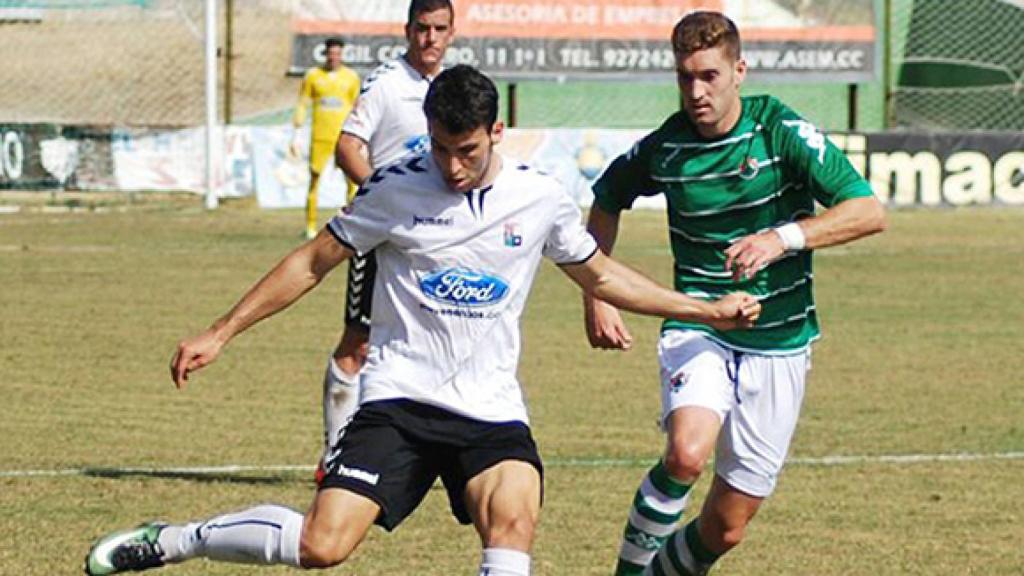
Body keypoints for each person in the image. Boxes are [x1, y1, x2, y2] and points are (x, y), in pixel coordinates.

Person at [84, 65, 761, 576]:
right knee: (324, 546)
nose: (451, 165)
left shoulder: (540, 199)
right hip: (399, 399)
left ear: (497, 132)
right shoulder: (397, 187)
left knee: (514, 520)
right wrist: (221, 330)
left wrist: (704, 310)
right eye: (440, 148)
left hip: (491, 411)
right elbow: (311, 262)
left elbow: (602, 276)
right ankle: (177, 539)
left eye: (466, 150)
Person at [585, 12, 887, 576]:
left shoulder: (778, 131)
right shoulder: (667, 148)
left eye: (709, 76)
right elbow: (605, 200)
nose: (696, 92)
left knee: (727, 526)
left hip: (781, 341)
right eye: (684, 78)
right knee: (686, 452)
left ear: (739, 70)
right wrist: (596, 293)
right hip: (698, 323)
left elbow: (867, 210)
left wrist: (782, 238)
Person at [314, 0, 455, 482]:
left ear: (452, 33)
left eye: (439, 29)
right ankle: (335, 455)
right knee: (359, 342)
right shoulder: (387, 83)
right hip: (383, 239)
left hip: (437, 241)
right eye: (422, 28)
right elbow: (347, 146)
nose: (430, 38)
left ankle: (427, 452)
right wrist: (382, 199)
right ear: (407, 30)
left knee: (436, 339)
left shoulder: (454, 85)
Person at [290, 37, 360, 240]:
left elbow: (357, 106)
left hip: (343, 137)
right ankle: (310, 225)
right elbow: (303, 102)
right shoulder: (313, 76)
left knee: (352, 181)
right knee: (314, 178)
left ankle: (353, 223)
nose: (334, 57)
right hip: (320, 136)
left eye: (337, 53)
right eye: (331, 53)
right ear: (325, 54)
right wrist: (296, 132)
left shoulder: (350, 77)